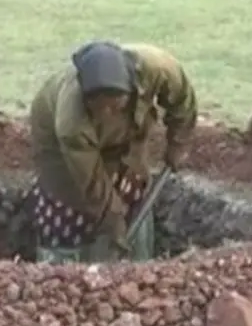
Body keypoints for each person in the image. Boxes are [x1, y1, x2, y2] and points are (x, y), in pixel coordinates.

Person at [27, 41, 198, 264]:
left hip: (126, 134)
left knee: (133, 182)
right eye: (98, 108)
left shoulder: (157, 68)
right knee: (70, 203)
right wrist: (113, 218)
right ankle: (62, 277)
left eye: (114, 105)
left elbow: (182, 99)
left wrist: (178, 143)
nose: (106, 114)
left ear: (130, 87)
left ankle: (138, 266)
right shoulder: (71, 122)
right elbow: (90, 180)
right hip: (62, 154)